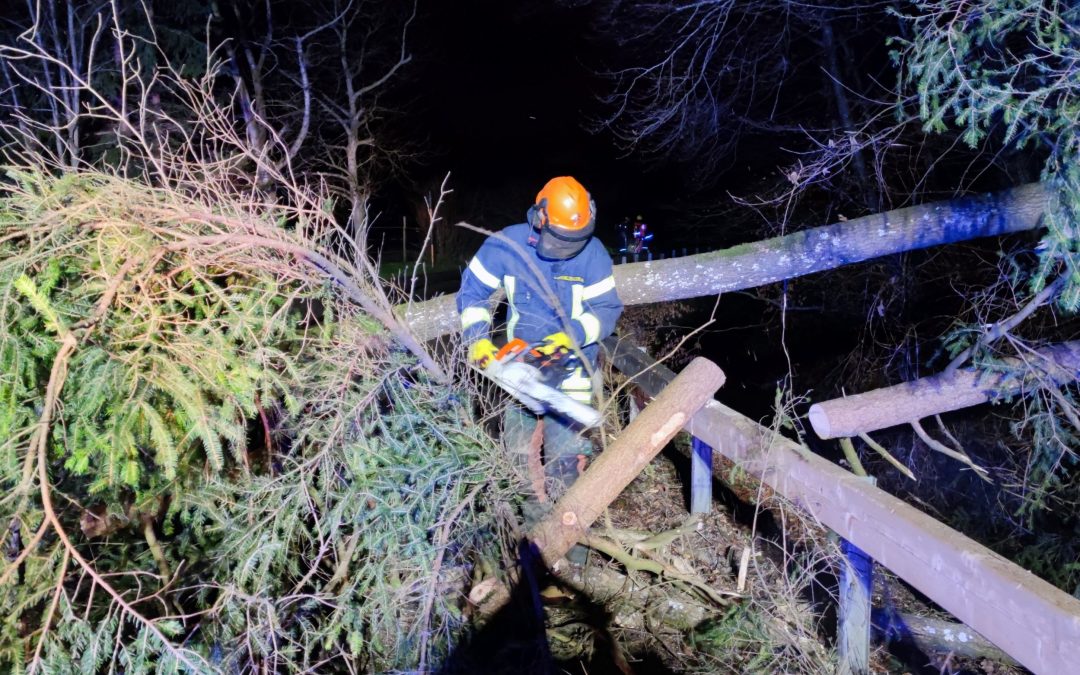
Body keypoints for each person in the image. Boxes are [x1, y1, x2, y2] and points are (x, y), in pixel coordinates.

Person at [457, 176, 623, 560]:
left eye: (573, 239)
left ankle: (576, 557)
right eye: (559, 238)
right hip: (520, 372)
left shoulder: (593, 254)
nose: (565, 248)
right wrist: (478, 340)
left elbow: (607, 311)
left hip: (573, 370)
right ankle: (538, 553)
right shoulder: (507, 246)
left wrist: (571, 336)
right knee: (520, 464)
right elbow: (473, 293)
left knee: (567, 464)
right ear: (540, 219)